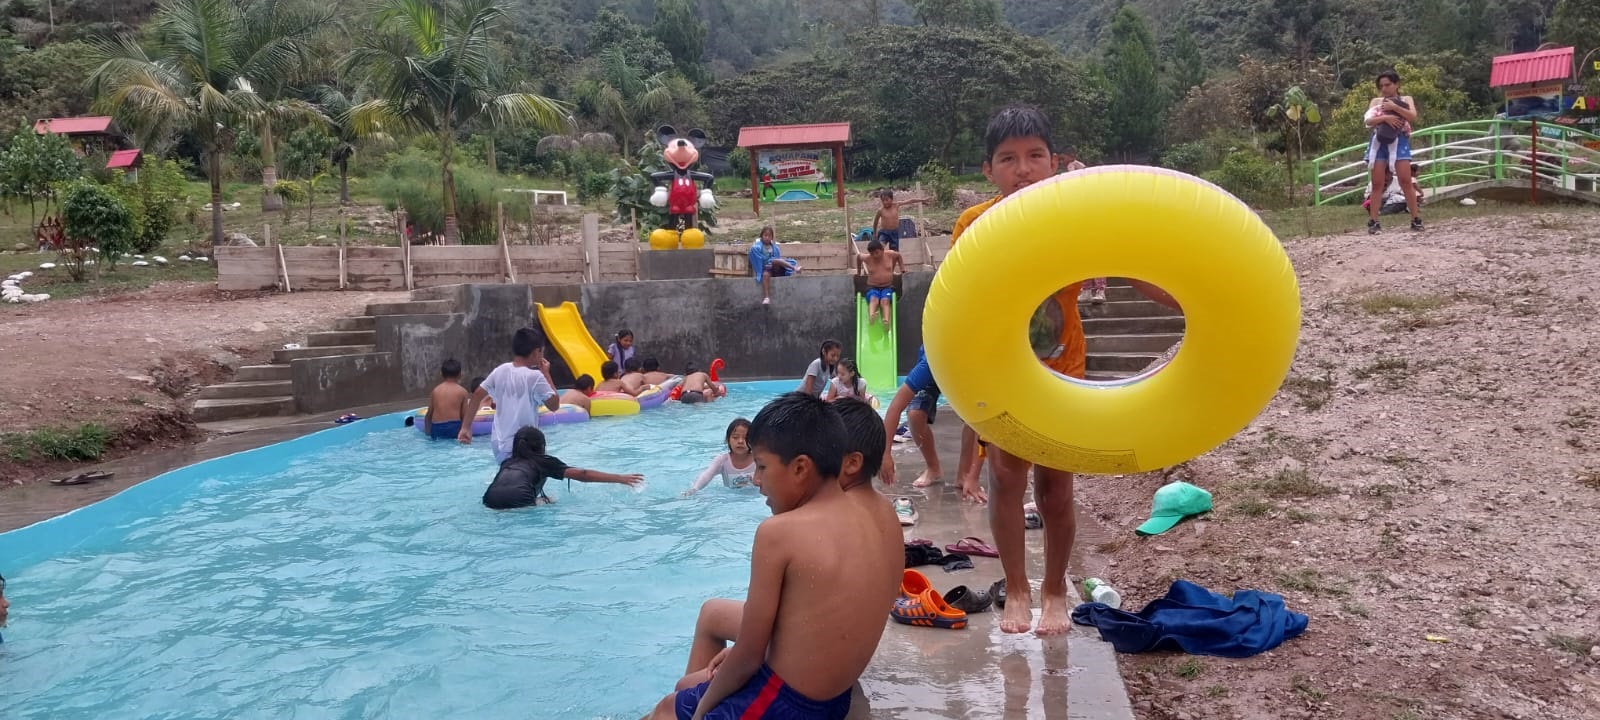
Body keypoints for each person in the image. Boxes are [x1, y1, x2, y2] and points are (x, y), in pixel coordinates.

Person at [950, 105, 1181, 636]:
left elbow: (1133, 269)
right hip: (1003, 374)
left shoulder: (1074, 220)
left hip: (1063, 372)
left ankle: (1054, 590)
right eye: (1008, 159)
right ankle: (1017, 588)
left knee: (1055, 488)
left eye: (1035, 156)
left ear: (1054, 162)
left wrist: (1193, 299)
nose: (1023, 169)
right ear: (988, 170)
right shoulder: (974, 224)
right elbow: (956, 303)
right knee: (1005, 479)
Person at [645, 393, 900, 720]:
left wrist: (702, 711)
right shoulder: (880, 514)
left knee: (668, 709)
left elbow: (749, 658)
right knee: (690, 680)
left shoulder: (780, 532)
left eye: (762, 467)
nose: (756, 480)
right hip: (834, 692)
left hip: (791, 703)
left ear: (804, 466)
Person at [458, 327, 561, 463]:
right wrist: (546, 374)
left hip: (499, 443)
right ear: (536, 352)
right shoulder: (535, 376)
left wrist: (466, 427)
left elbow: (477, 395)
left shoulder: (500, 370)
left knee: (507, 473)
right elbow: (554, 405)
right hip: (524, 443)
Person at [482, 426, 642, 509]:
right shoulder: (543, 461)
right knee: (551, 501)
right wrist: (620, 478)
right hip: (519, 503)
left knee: (544, 500)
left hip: (489, 502)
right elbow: (583, 474)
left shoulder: (507, 462)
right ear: (541, 446)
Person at [879, 346, 950, 492]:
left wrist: (972, 477)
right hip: (938, 362)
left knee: (972, 415)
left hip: (962, 365)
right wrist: (885, 454)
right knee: (915, 414)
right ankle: (933, 468)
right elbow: (895, 407)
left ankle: (966, 474)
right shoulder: (929, 363)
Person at [1364, 70, 1423, 235]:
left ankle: (1415, 218)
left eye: (1388, 85)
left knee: (1405, 180)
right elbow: (1368, 121)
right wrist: (1385, 118)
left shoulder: (1406, 99)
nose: (1384, 88)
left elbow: (1412, 116)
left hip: (1399, 140)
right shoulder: (1376, 101)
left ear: (1396, 84)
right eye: (1381, 86)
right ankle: (1374, 220)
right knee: (1377, 182)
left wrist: (1394, 107)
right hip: (1379, 140)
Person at [684, 418, 756, 495]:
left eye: (745, 438)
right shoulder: (722, 461)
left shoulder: (758, 459)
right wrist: (694, 489)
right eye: (735, 437)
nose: (740, 441)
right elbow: (707, 475)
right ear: (728, 440)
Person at [855, 238, 904, 329]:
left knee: (885, 301)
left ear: (882, 250)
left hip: (887, 286)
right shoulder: (867, 258)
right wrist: (858, 272)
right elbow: (858, 257)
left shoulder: (890, 254)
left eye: (876, 252)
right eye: (872, 253)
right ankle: (872, 316)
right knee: (874, 299)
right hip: (872, 286)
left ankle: (886, 321)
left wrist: (902, 269)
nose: (874, 255)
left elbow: (898, 256)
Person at [749, 226, 799, 306]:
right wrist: (768, 262)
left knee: (774, 260)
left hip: (776, 267)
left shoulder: (775, 247)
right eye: (765, 235)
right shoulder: (756, 248)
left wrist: (771, 261)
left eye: (769, 236)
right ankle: (766, 297)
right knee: (765, 275)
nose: (767, 238)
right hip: (766, 268)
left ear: (772, 237)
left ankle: (794, 268)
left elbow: (778, 258)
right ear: (761, 236)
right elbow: (758, 259)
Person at [423, 359, 469, 440]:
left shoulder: (436, 391)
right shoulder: (462, 391)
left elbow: (429, 415)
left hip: (437, 427)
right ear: (460, 374)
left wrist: (427, 433)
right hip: (454, 426)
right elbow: (465, 416)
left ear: (441, 373)